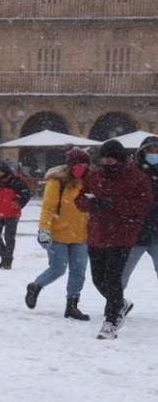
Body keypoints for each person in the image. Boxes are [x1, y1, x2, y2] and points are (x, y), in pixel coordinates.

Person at [77, 139, 154, 339]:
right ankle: (120, 303)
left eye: (110, 161)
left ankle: (111, 320)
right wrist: (91, 203)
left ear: (120, 160)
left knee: (113, 279)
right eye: (103, 160)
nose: (106, 164)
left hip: (122, 234)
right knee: (98, 279)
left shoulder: (137, 178)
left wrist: (113, 204)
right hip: (97, 233)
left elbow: (143, 205)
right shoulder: (94, 177)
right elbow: (79, 199)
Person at [27, 148, 91, 321]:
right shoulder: (57, 181)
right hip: (58, 233)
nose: (81, 168)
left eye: (84, 165)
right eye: (77, 165)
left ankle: (72, 305)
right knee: (58, 269)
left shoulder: (88, 181)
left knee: (79, 271)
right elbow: (48, 208)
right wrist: (44, 230)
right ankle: (35, 286)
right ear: (69, 165)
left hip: (81, 234)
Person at [122, 137, 158, 290]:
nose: (154, 153)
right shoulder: (133, 173)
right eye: (150, 150)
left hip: (156, 232)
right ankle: (115, 306)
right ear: (142, 151)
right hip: (136, 232)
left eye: (157, 150)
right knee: (123, 273)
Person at [0, 160, 32, 270]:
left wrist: (18, 204)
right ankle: (5, 257)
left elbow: (26, 194)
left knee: (9, 237)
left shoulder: (16, 181)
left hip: (12, 213)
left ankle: (8, 260)